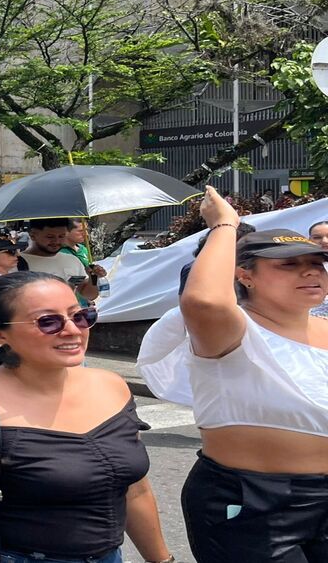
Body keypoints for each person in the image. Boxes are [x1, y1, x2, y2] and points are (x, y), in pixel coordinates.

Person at [0, 272, 172, 563]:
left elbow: (135, 491)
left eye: (80, 316)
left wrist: (162, 560)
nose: (72, 330)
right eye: (48, 321)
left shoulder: (112, 386)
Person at [141, 186, 328, 561]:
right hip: (252, 501)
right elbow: (203, 300)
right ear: (245, 275)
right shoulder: (231, 329)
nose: (310, 271)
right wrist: (225, 224)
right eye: (288, 264)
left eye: (317, 262)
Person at [19, 219, 100, 302]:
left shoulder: (72, 260)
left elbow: (89, 295)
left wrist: (93, 278)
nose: (56, 241)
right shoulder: (16, 263)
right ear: (33, 235)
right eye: (50, 237)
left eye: (61, 236)